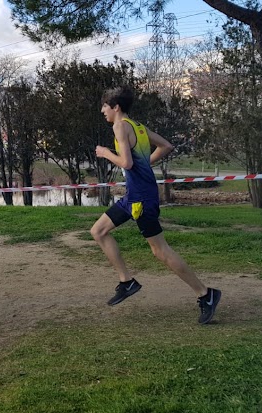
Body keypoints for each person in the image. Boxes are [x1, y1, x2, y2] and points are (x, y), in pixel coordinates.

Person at [90, 86, 221, 324]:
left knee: (160, 250)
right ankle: (126, 281)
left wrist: (106, 153)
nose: (102, 111)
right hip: (135, 195)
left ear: (116, 107)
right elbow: (166, 146)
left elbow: (127, 164)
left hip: (142, 198)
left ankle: (205, 294)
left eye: (105, 106)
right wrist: (144, 165)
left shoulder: (119, 126)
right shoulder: (138, 127)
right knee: (98, 231)